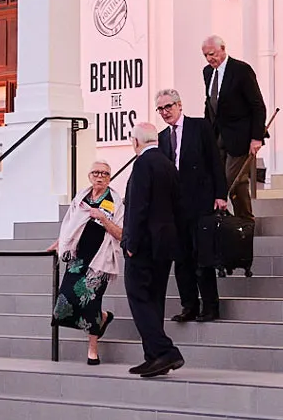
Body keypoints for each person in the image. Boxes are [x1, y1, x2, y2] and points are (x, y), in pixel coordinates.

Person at [154, 88, 228, 324]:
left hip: (200, 202)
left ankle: (211, 306)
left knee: (202, 257)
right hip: (175, 208)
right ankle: (189, 306)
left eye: (168, 106)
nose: (165, 112)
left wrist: (220, 194)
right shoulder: (162, 137)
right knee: (182, 258)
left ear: (179, 105)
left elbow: (215, 161)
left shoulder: (200, 127)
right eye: (161, 108)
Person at [120, 124, 183, 377]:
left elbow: (138, 207)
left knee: (138, 296)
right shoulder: (168, 164)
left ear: (136, 141)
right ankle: (154, 357)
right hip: (165, 245)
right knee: (155, 299)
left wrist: (131, 244)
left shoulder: (142, 164)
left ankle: (165, 351)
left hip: (144, 245)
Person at [51, 162, 122, 365]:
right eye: (96, 173)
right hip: (78, 256)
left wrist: (102, 217)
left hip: (100, 258)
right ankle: (104, 317)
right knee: (66, 300)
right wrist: (59, 242)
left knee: (90, 301)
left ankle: (92, 349)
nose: (100, 176)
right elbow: (70, 224)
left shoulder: (115, 202)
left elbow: (120, 234)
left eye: (105, 174)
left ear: (109, 177)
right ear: (90, 175)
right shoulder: (81, 198)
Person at [201, 36, 268, 221]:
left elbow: (257, 105)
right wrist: (205, 133)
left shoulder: (241, 70)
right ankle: (244, 220)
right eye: (205, 55)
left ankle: (220, 215)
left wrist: (256, 137)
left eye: (212, 54)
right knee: (236, 181)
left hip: (241, 136)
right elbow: (210, 105)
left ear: (223, 49)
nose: (209, 59)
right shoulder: (207, 72)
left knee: (229, 180)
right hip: (218, 135)